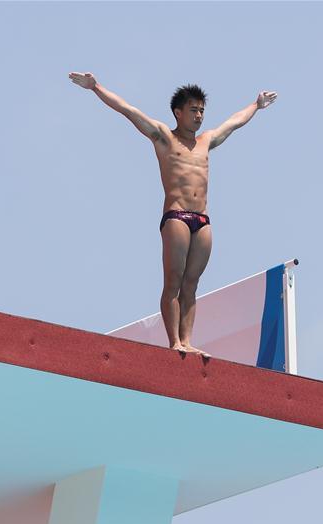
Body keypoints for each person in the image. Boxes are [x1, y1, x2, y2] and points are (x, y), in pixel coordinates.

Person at [69, 72, 277, 357]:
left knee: (192, 284)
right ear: (178, 113)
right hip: (177, 216)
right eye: (193, 110)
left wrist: (256, 105)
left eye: (202, 110)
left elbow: (234, 122)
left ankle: (187, 340)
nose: (199, 115)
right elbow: (128, 110)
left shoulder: (206, 141)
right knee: (174, 280)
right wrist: (96, 87)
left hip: (202, 220)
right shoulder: (163, 137)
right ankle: (174, 342)